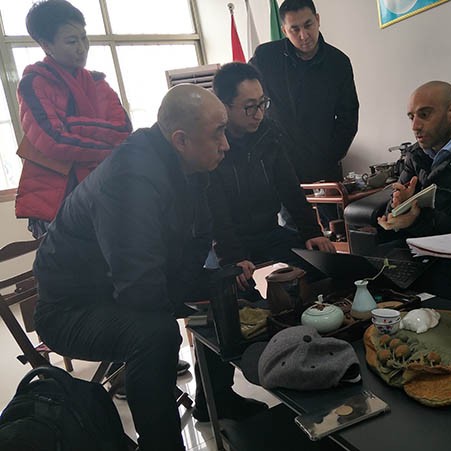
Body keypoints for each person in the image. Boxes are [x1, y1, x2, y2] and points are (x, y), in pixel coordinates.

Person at [33, 84, 233, 451]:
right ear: (181, 140)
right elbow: (138, 284)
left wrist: (208, 286)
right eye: (218, 133)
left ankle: (218, 400)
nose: (226, 145)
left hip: (122, 287)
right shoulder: (131, 177)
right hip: (72, 308)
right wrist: (181, 302)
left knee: (229, 287)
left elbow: (198, 241)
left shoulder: (188, 166)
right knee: (156, 334)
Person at [209, 62, 336, 294]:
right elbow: (217, 212)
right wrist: (233, 257)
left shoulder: (269, 133)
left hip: (268, 231)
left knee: (323, 269)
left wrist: (313, 232)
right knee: (243, 298)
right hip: (228, 240)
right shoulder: (212, 144)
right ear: (224, 106)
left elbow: (290, 188)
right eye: (250, 107)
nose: (259, 114)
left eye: (262, 103)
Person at [16, 0, 131, 238]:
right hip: (55, 200)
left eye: (84, 38)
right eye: (71, 41)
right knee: (69, 262)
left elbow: (123, 132)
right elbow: (53, 141)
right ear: (46, 44)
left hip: (103, 189)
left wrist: (71, 125)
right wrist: (107, 146)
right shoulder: (33, 84)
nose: (82, 48)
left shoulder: (99, 83)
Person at [376, 81, 451, 299]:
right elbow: (395, 210)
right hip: (421, 248)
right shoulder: (415, 154)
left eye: (424, 115)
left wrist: (416, 218)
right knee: (369, 274)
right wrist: (399, 205)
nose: (415, 126)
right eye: (411, 117)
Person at [249, 0, 359, 225]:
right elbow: (248, 96)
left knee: (335, 228)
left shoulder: (338, 62)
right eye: (295, 29)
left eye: (308, 25)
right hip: (282, 163)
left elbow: (348, 117)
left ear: (317, 20)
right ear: (284, 30)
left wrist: (329, 156)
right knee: (295, 230)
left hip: (324, 165)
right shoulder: (266, 58)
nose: (304, 35)